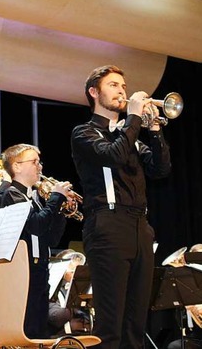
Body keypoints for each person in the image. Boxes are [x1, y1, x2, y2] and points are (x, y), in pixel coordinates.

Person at [70, 65, 171, 348]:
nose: (122, 91)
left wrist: (154, 129)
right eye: (114, 85)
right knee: (111, 323)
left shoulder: (131, 137)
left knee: (136, 324)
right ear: (94, 92)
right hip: (108, 225)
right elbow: (111, 156)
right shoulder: (84, 133)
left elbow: (161, 169)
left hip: (140, 226)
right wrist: (135, 118)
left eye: (123, 86)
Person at [0, 143, 69, 338]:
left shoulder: (35, 198)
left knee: (40, 329)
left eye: (40, 162)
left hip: (39, 268)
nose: (40, 167)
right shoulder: (12, 194)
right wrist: (56, 198)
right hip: (23, 270)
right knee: (28, 327)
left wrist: (61, 210)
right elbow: (36, 225)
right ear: (17, 166)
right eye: (34, 162)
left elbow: (52, 239)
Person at [48, 250, 93, 337]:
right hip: (58, 336)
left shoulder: (82, 288)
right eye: (72, 271)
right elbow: (56, 317)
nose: (75, 274)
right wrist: (74, 309)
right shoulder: (54, 289)